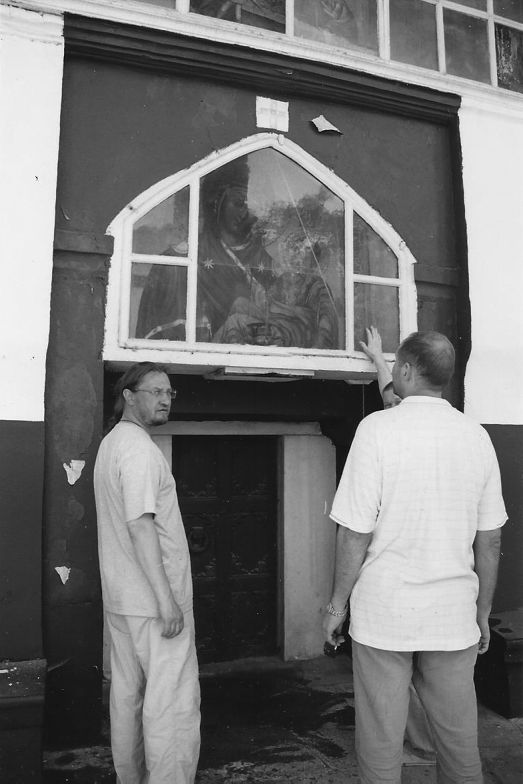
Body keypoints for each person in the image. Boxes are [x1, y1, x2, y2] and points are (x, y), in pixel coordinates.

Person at [323, 330, 507, 783]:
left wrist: (336, 607)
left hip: (384, 616)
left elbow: (354, 533)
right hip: (452, 617)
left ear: (405, 370)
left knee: (380, 741)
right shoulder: (477, 437)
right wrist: (482, 613)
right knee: (459, 744)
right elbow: (490, 540)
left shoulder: (376, 430)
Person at [94, 362, 200, 784]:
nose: (165, 400)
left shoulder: (112, 444)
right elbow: (140, 525)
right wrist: (166, 600)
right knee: (171, 703)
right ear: (128, 395)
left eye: (169, 393)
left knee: (127, 695)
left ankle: (132, 778)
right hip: (154, 605)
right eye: (155, 391)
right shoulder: (137, 449)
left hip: (124, 599)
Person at [136, 157, 339, 349]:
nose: (248, 213)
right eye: (240, 203)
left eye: (257, 206)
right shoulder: (177, 264)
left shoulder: (273, 266)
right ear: (216, 204)